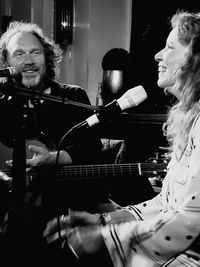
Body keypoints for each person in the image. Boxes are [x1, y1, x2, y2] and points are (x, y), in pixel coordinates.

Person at [43, 10, 200, 267]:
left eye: (170, 47)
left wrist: (106, 237)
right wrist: (106, 220)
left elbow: (190, 221)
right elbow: (166, 203)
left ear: (195, 59)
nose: (157, 55)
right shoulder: (191, 119)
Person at [0, 20, 104, 265]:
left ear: (46, 58)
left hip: (65, 209)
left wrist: (57, 158)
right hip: (11, 213)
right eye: (19, 54)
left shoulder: (73, 97)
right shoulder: (2, 104)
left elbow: (93, 149)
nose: (28, 60)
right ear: (7, 64)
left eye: (35, 52)